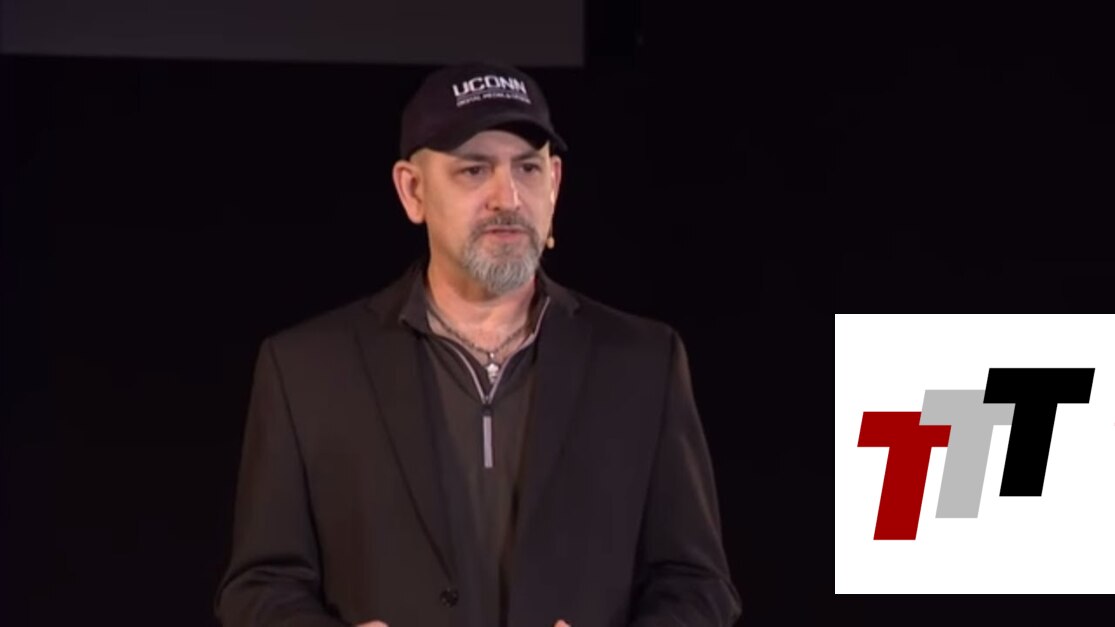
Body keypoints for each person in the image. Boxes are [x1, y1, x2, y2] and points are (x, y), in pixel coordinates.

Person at [213, 61, 742, 627]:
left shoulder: (643, 363)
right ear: (412, 190)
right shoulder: (308, 370)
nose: (506, 196)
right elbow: (259, 587)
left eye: (527, 168)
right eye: (473, 170)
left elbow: (698, 586)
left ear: (555, 183)